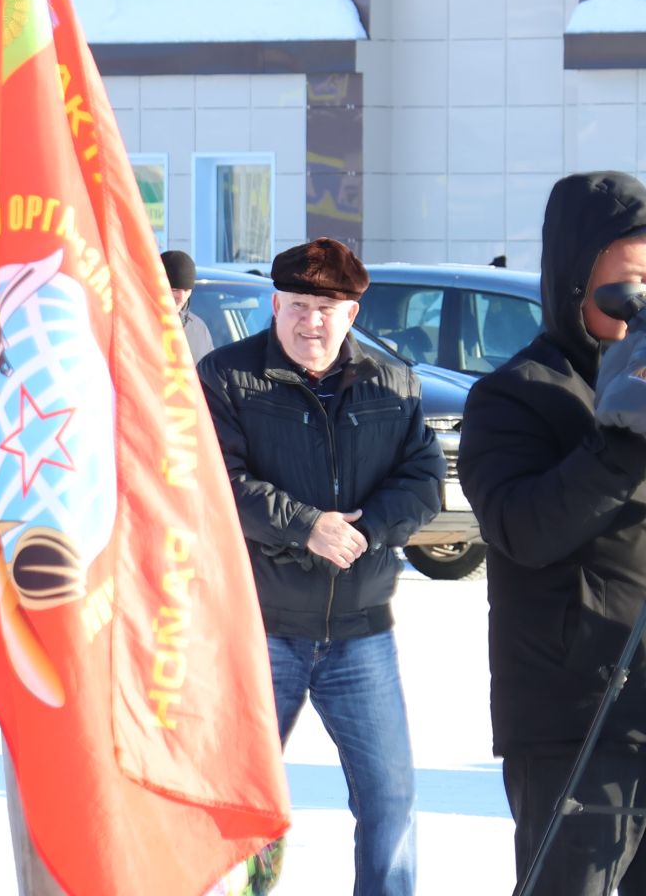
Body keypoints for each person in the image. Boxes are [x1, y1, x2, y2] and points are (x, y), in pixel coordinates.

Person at [198, 237, 441, 896]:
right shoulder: (227, 376)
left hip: (361, 633)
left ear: (353, 314)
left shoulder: (393, 382)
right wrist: (307, 527)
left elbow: (424, 481)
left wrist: (361, 534)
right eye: (299, 305)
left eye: (328, 309)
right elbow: (218, 481)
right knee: (235, 803)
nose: (313, 322)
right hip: (261, 630)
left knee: (390, 803)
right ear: (274, 305)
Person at [459, 171, 646, 895]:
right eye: (627, 286)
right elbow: (522, 529)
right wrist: (617, 445)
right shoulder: (514, 395)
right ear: (574, 279)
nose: (641, 307)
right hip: (574, 719)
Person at [162, 249, 215, 363]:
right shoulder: (139, 326)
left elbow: (208, 377)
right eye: (174, 290)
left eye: (186, 290)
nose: (181, 298)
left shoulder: (199, 329)